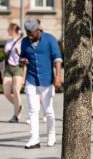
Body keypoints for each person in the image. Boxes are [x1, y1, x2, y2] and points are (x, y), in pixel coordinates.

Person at [19, 19, 62, 149]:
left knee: (48, 111)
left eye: (31, 32)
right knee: (33, 110)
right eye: (27, 32)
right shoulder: (25, 41)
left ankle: (51, 134)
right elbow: (21, 57)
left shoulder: (50, 39)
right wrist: (23, 60)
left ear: (38, 29)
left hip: (46, 79)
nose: (29, 35)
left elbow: (57, 58)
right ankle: (34, 139)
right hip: (31, 80)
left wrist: (58, 76)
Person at [2, 22, 24, 123]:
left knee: (15, 90)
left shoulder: (22, 42)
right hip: (9, 68)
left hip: (18, 67)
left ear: (13, 31)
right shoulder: (8, 42)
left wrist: (19, 52)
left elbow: (25, 57)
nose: (7, 31)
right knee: (6, 92)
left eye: (8, 29)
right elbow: (6, 56)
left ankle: (16, 116)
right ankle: (18, 105)